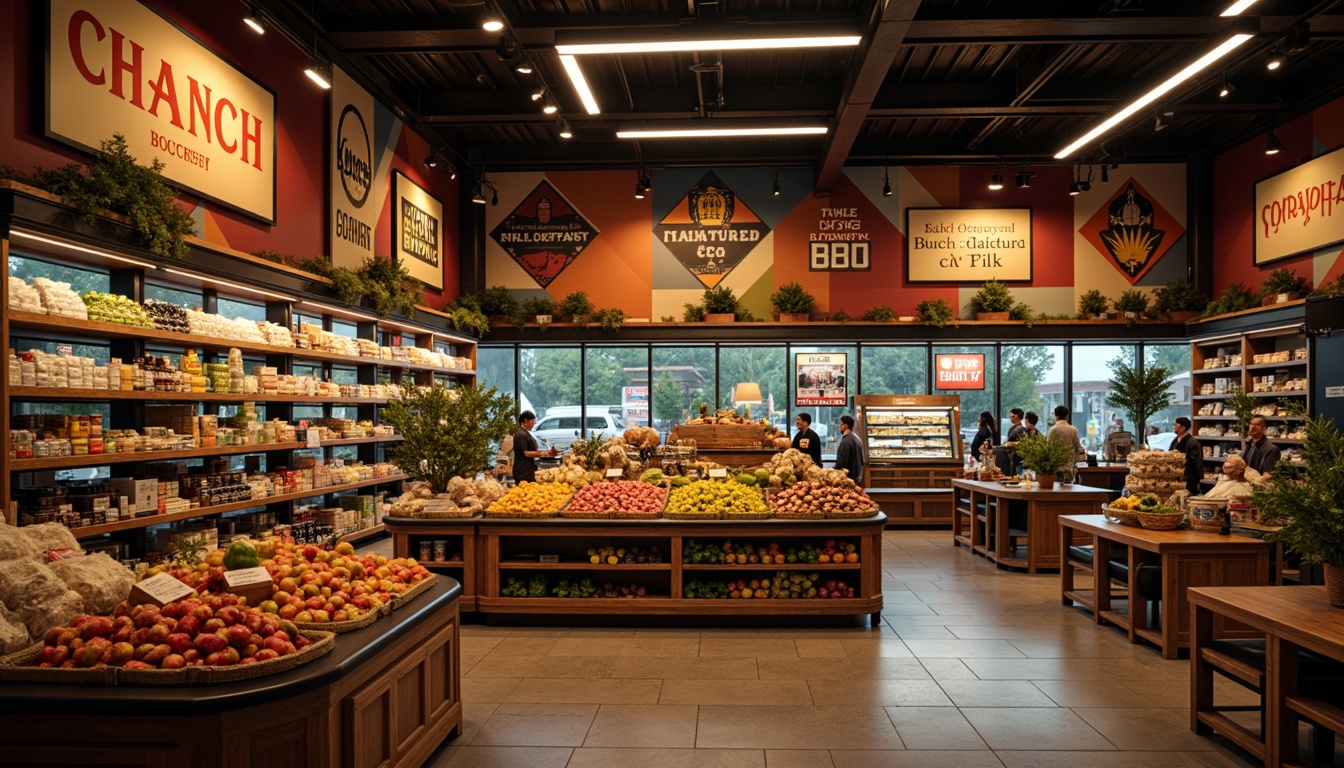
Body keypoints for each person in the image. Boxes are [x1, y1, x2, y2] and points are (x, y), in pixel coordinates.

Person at [511, 410, 556, 483]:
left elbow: (535, 449)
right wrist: (541, 453)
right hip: (522, 470)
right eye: (532, 422)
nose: (533, 425)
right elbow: (526, 453)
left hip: (528, 469)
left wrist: (546, 452)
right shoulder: (520, 435)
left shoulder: (526, 433)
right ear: (525, 421)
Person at [1168, 416, 1203, 495]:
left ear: (1183, 428)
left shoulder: (1193, 443)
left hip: (1188, 478)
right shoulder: (1175, 440)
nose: (1174, 427)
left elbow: (1194, 462)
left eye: (1175, 425)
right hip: (1175, 476)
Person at [834, 414, 864, 483]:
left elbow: (842, 460)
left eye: (841, 424)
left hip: (848, 476)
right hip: (856, 474)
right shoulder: (856, 438)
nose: (839, 426)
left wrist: (836, 470)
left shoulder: (846, 441)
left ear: (846, 426)